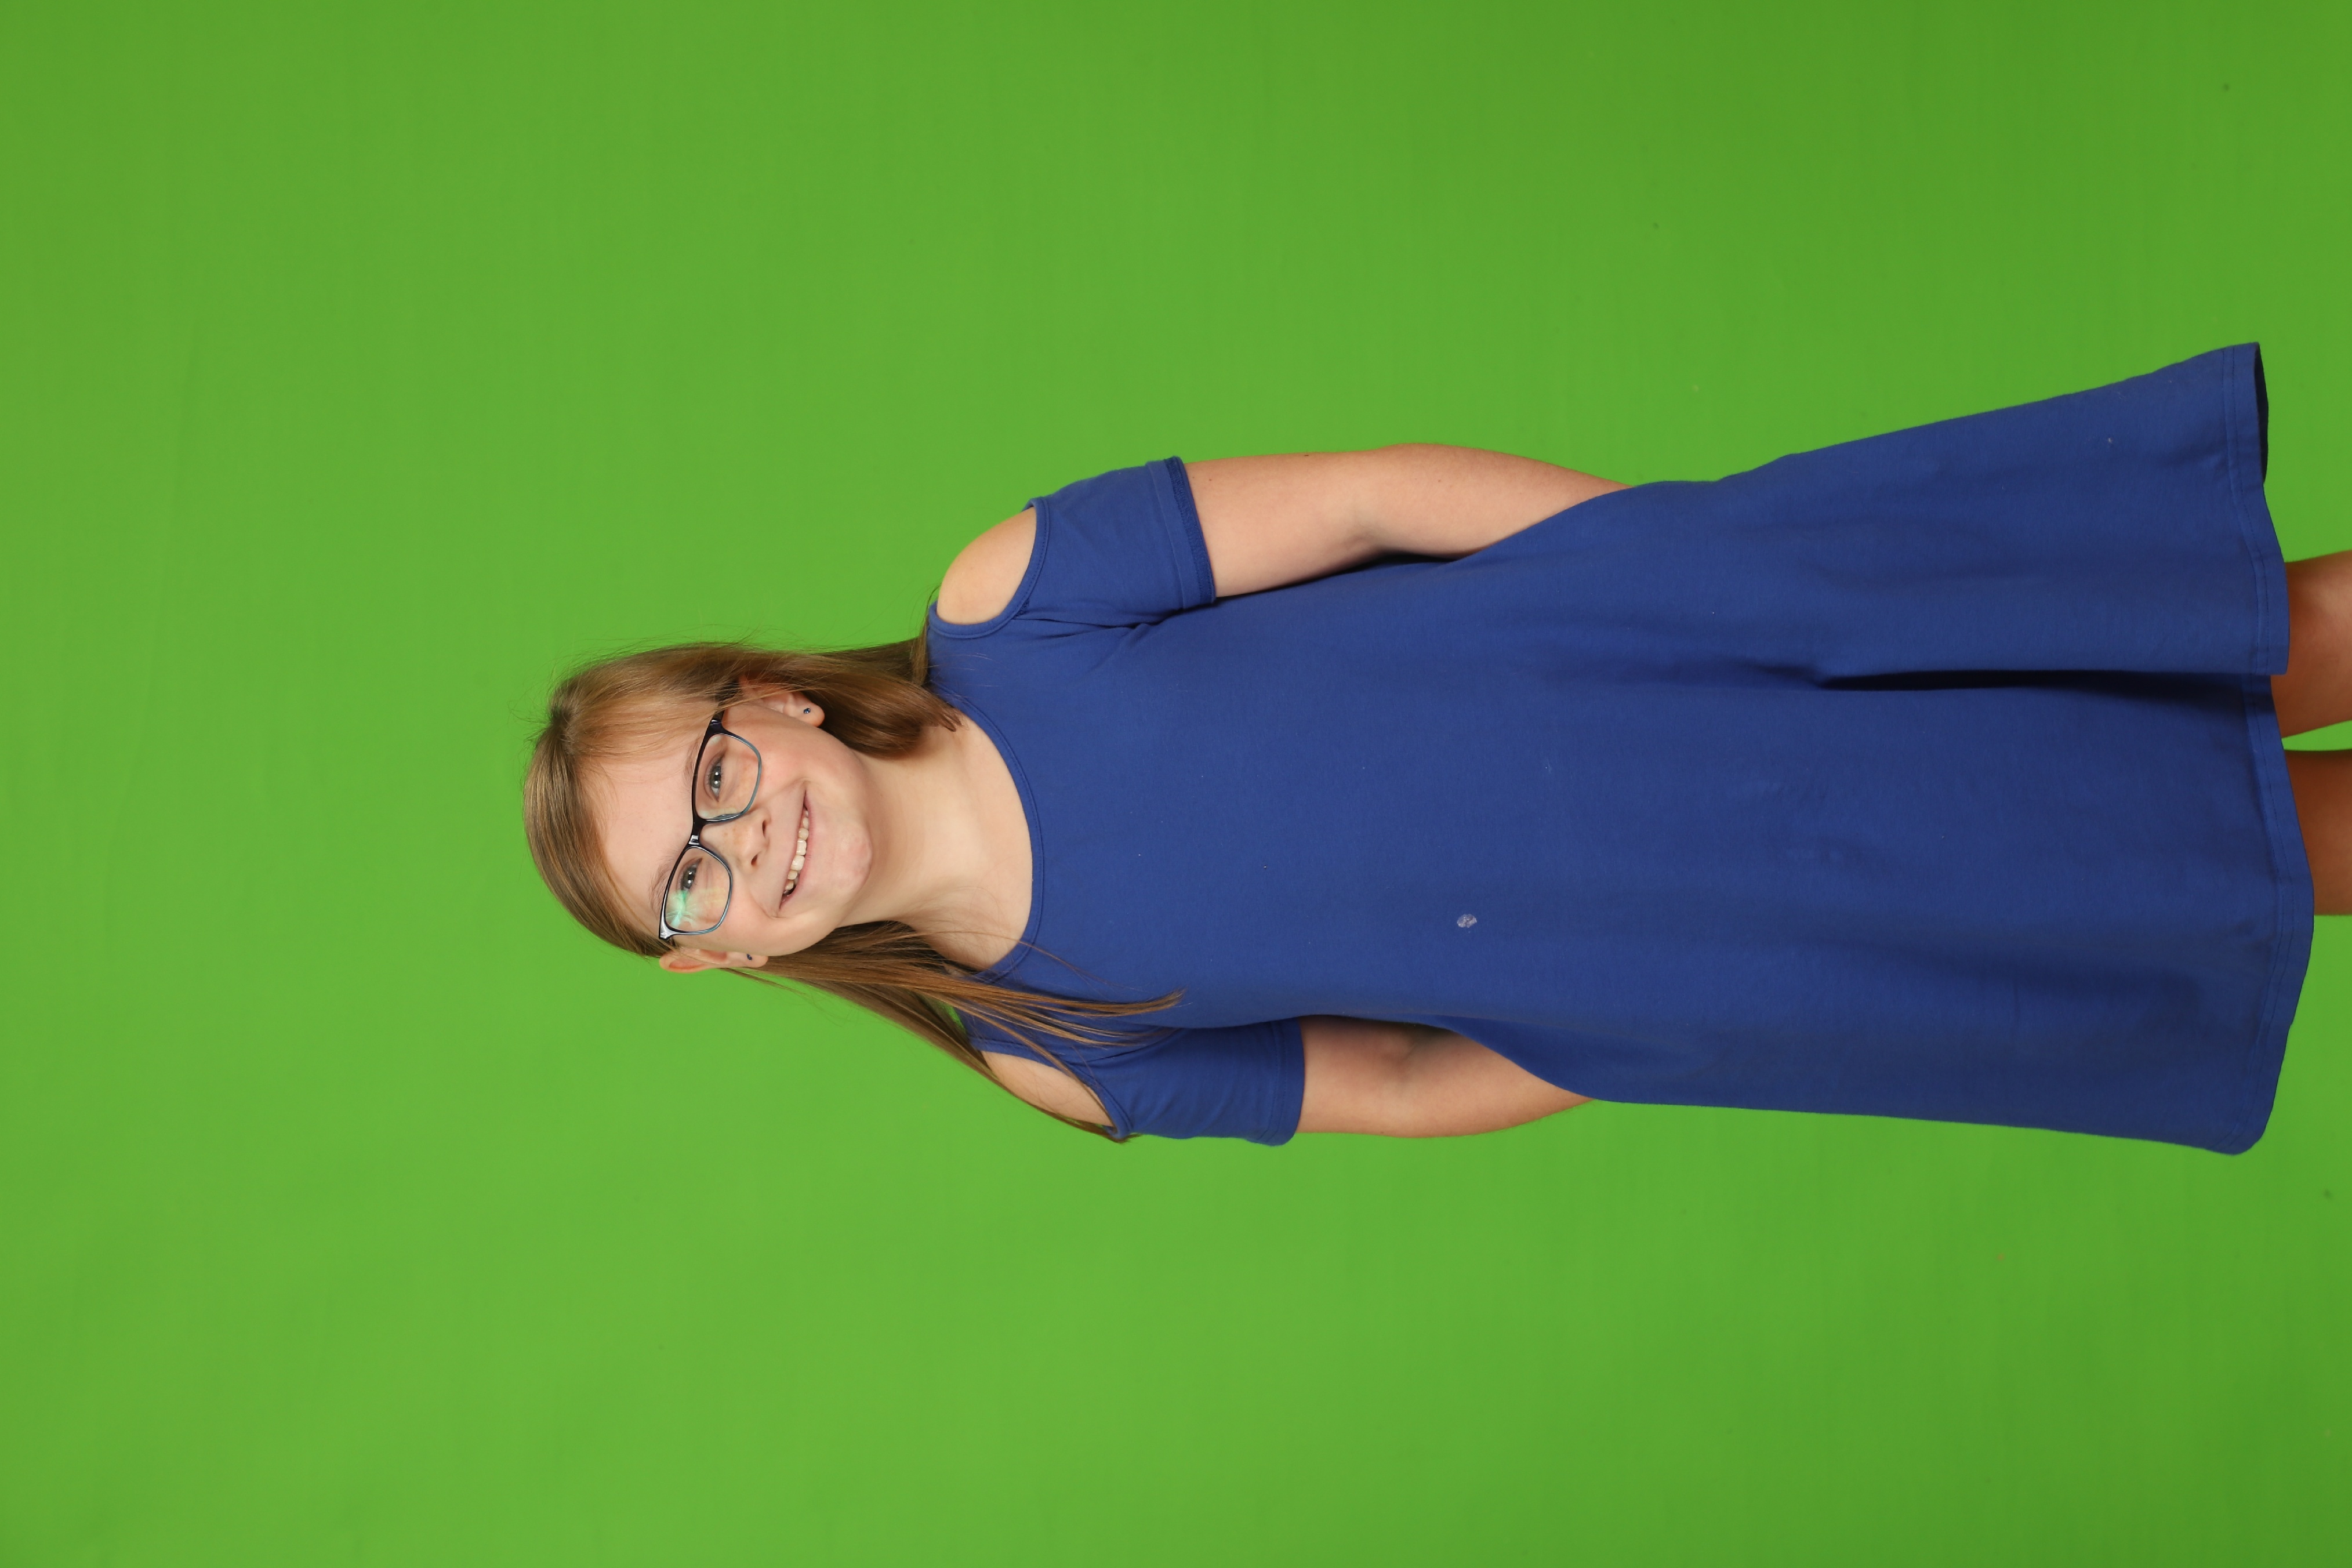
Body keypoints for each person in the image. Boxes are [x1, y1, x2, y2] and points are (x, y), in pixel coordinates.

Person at [525, 344, 2342, 1152]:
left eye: (712, 777)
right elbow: (1395, 1081)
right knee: (2234, 853)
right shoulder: (1047, 1044)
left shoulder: (1013, 601)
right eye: (691, 882)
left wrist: (1680, 561)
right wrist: (1645, 1023)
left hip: (1693, 654)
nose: (741, 842)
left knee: (2250, 628)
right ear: (720, 954)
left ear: (766, 699)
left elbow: (1374, 497)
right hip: (1746, 917)